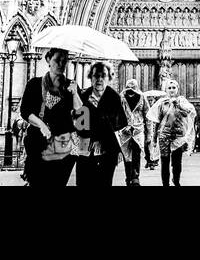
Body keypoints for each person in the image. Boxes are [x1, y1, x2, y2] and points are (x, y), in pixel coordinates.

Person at [18, 47, 82, 187]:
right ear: (48, 59)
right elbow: (25, 111)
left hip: (64, 146)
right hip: (38, 143)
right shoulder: (35, 84)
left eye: (64, 61)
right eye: (57, 60)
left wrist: (75, 93)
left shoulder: (71, 86)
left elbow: (82, 114)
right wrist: (41, 125)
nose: (61, 64)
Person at [75, 61, 127, 186]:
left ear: (109, 77)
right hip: (86, 151)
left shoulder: (114, 98)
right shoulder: (83, 97)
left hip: (107, 152)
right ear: (90, 77)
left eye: (103, 75)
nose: (99, 79)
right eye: (95, 76)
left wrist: (102, 140)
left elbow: (120, 125)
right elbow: (80, 126)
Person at [148, 77, 195, 187]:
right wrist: (154, 138)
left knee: (177, 162)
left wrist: (178, 106)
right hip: (164, 136)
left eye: (174, 87)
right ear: (166, 89)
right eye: (169, 88)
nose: (172, 90)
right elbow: (156, 121)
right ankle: (165, 183)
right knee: (165, 162)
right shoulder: (161, 103)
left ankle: (176, 180)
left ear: (177, 89)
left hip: (178, 136)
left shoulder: (182, 101)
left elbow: (189, 114)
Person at [120, 78, 151, 185]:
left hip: (138, 130)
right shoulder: (121, 97)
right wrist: (122, 126)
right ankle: (128, 176)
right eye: (129, 87)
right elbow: (117, 115)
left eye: (133, 87)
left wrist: (149, 134)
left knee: (136, 153)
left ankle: (135, 177)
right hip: (125, 131)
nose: (131, 90)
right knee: (126, 155)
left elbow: (148, 116)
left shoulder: (142, 97)